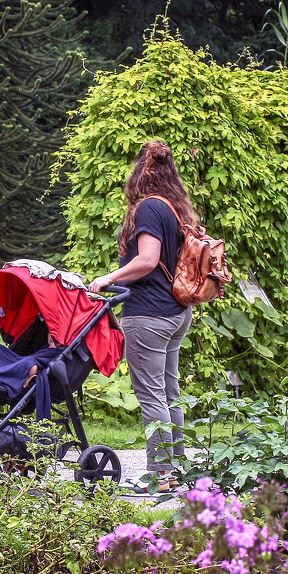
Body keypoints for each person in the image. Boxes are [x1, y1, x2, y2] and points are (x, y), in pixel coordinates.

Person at [87, 141, 195, 493]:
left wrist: (108, 278)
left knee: (152, 396)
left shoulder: (148, 208)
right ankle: (176, 471)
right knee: (169, 393)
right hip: (176, 312)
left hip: (149, 313)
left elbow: (148, 259)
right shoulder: (174, 209)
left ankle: (159, 476)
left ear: (139, 174)